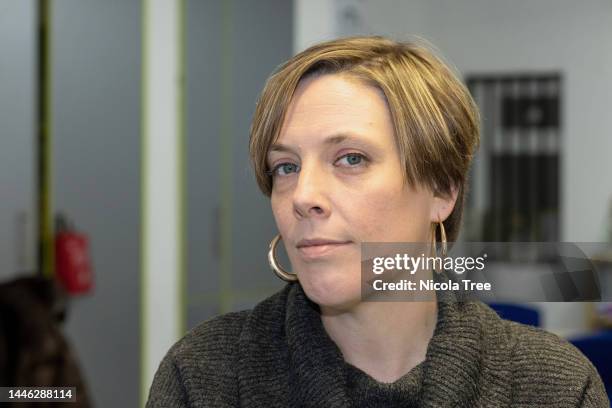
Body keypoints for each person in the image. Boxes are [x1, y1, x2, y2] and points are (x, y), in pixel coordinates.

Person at [146, 36, 608, 407]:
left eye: (350, 158)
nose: (303, 196)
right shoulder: (207, 375)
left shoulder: (552, 387)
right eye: (286, 166)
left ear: (443, 190)